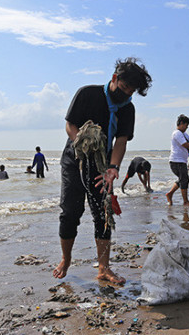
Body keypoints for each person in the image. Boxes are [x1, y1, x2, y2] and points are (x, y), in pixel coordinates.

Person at [54, 57, 152, 285]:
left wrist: (113, 168)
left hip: (102, 167)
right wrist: (82, 142)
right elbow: (70, 125)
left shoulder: (127, 109)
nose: (127, 94)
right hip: (75, 161)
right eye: (125, 88)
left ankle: (104, 268)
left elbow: (121, 140)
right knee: (70, 212)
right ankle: (65, 259)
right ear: (115, 78)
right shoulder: (87, 94)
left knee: (103, 214)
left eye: (132, 92)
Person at [166, 114, 189, 206]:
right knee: (184, 180)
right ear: (181, 123)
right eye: (186, 125)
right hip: (176, 161)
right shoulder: (177, 133)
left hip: (181, 161)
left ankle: (170, 194)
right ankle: (185, 202)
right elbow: (186, 145)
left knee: (184, 179)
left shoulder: (184, 134)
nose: (186, 128)